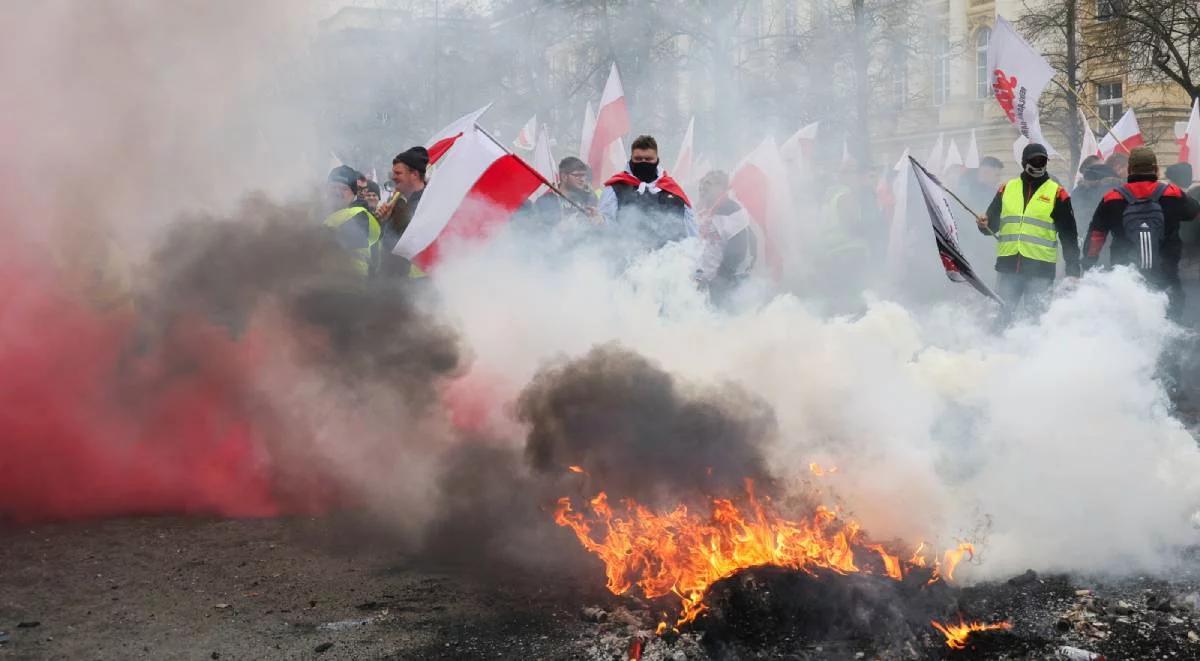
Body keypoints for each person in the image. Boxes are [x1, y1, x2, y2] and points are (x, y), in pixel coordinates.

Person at [1084, 147, 1200, 321]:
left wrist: (1088, 264)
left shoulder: (1112, 198)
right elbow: (1194, 214)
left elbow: (1096, 236)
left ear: (1130, 169)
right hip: (1166, 276)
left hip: (1125, 280)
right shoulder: (1173, 194)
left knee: (1126, 324)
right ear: (1156, 169)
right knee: (1171, 325)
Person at [976, 142, 1080, 326]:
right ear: (1024, 162)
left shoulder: (1057, 193)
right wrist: (983, 224)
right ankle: (995, 351)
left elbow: (1069, 236)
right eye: (1035, 160)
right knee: (1000, 318)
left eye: (1043, 161)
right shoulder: (1006, 188)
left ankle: (1034, 354)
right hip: (1008, 267)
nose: (1039, 164)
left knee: (1036, 321)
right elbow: (990, 224)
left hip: (1040, 271)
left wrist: (1073, 270)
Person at [599, 135, 697, 250]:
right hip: (628, 256)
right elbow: (607, 226)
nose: (643, 162)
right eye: (638, 159)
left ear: (657, 159)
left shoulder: (672, 189)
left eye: (648, 159)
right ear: (631, 158)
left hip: (668, 259)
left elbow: (691, 232)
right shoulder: (615, 188)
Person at [693, 170, 756, 304]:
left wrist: (719, 282)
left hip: (728, 281)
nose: (703, 188)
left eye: (708, 184)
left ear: (721, 188)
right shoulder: (699, 210)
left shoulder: (733, 211)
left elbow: (737, 254)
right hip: (701, 281)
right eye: (702, 184)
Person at [376, 146, 429, 278]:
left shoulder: (427, 204)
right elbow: (386, 244)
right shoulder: (398, 201)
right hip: (392, 282)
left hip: (416, 287)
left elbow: (403, 245)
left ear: (414, 174)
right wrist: (383, 221)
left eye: (398, 173)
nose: (393, 178)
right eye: (393, 173)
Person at [323, 165, 381, 278]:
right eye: (333, 186)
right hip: (320, 283)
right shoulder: (317, 211)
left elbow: (335, 242)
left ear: (354, 194)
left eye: (344, 188)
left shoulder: (359, 215)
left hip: (350, 285)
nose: (337, 192)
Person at [533, 156, 601, 227]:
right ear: (564, 176)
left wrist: (600, 221)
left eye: (584, 175)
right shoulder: (544, 202)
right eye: (577, 175)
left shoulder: (589, 198)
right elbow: (535, 232)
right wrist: (557, 230)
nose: (582, 179)